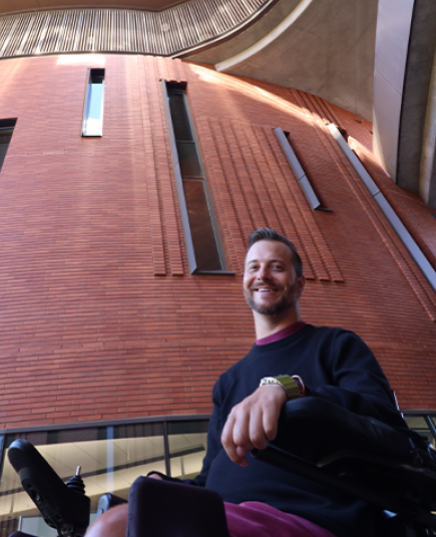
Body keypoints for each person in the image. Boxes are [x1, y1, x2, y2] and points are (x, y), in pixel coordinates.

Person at [84, 227, 407, 537]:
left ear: (300, 283)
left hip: (312, 516)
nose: (263, 275)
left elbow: (384, 420)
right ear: (244, 281)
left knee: (113, 528)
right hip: (222, 514)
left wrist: (288, 388)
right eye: (254, 267)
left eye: (276, 267)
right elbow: (211, 476)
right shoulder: (228, 382)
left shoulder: (336, 345)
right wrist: (165, 483)